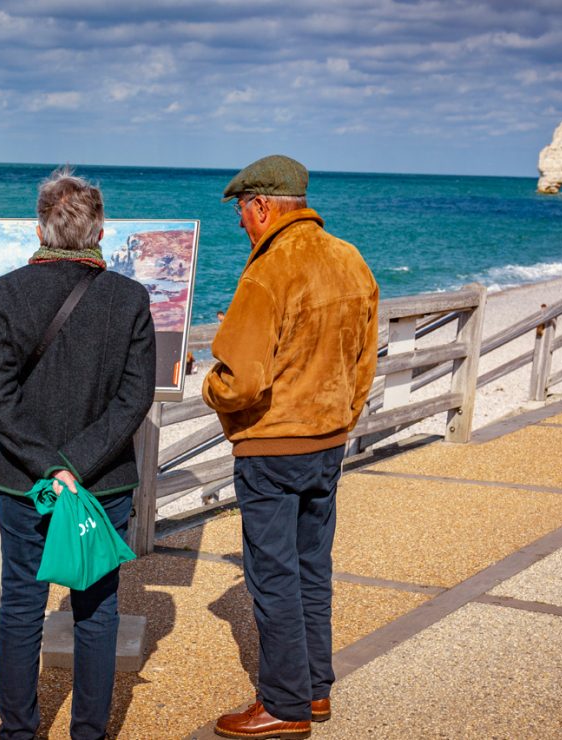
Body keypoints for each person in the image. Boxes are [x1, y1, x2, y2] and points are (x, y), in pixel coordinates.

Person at [202, 155, 378, 739]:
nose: (240, 224)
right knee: (311, 567)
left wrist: (211, 383)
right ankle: (315, 690)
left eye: (240, 212)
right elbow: (363, 359)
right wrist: (341, 420)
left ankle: (283, 705)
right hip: (328, 440)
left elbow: (242, 381)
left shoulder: (269, 270)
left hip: (272, 446)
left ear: (261, 206)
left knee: (272, 575)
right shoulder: (349, 258)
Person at [0, 167, 156, 740]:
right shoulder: (129, 298)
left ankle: (17, 731)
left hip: (22, 481)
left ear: (40, 225)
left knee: (21, 609)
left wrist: (50, 465)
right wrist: (76, 465)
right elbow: (134, 399)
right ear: (98, 229)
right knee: (97, 613)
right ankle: (89, 732)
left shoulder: (5, 293)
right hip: (100, 483)